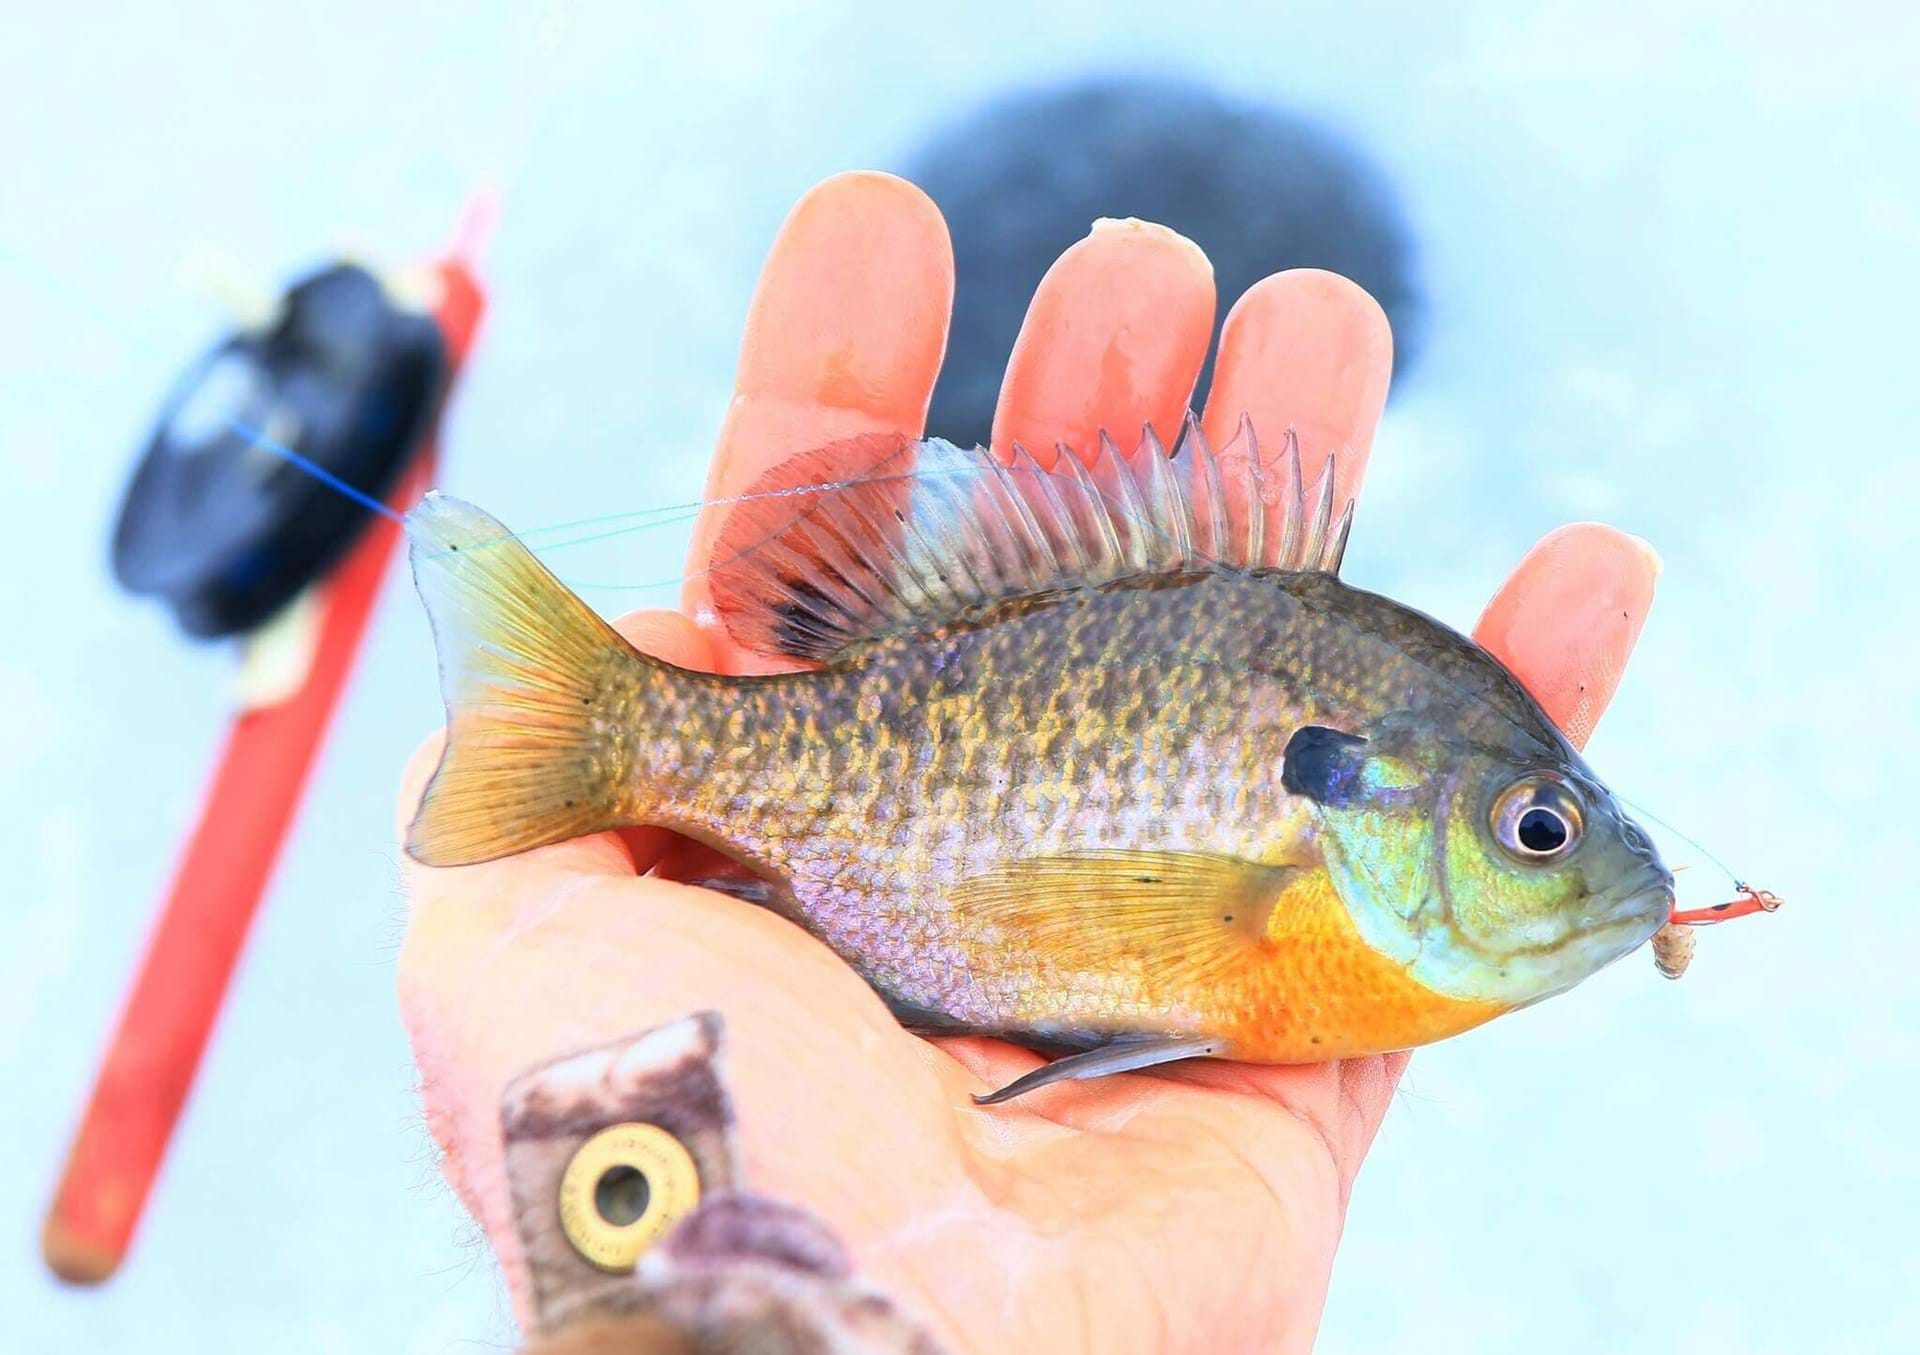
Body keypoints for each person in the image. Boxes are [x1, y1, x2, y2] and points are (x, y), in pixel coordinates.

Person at [395, 171, 1659, 1354]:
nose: (1566, 864)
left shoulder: (1346, 937)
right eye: (1534, 831)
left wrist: (654, 1272)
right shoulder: (1311, 934)